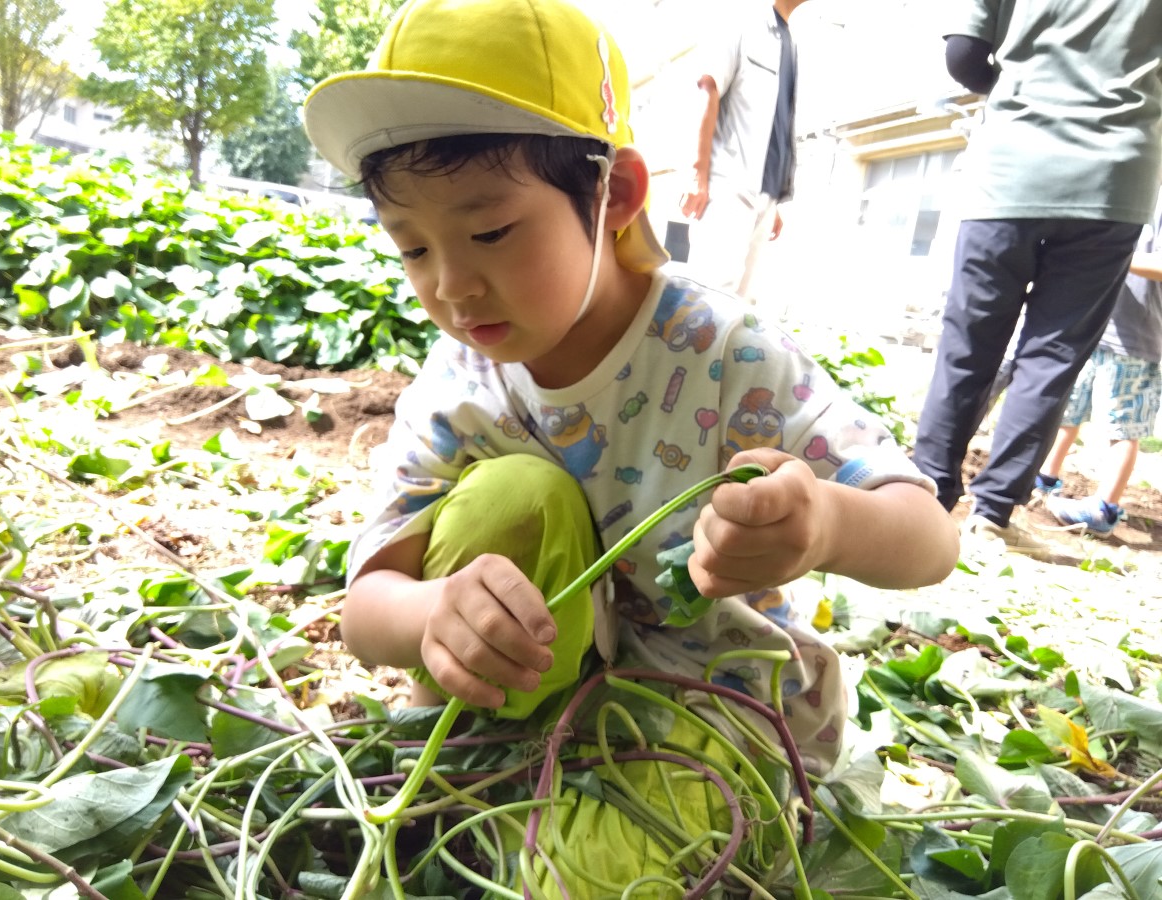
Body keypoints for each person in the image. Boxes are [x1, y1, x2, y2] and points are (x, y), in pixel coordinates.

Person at [303, 0, 958, 890]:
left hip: (709, 711)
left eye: (489, 230)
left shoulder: (724, 355)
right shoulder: (461, 383)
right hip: (526, 699)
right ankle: (479, 776)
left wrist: (824, 525)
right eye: (413, 246)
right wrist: (433, 617)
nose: (452, 285)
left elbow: (929, 538)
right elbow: (366, 607)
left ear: (617, 194)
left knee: (583, 880)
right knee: (509, 496)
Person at [912, 0, 1162, 559]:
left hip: (1011, 162)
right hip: (1113, 177)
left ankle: (925, 494)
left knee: (968, 340)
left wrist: (1030, 87)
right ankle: (994, 513)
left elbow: (964, 54)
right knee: (1054, 353)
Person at [1035, 213, 1162, 536]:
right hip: (1095, 324)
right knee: (1068, 409)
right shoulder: (1138, 193)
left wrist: (1113, 256)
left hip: (1134, 339)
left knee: (1122, 425)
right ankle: (1043, 480)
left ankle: (1104, 508)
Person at [674, 0, 810, 297]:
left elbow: (778, 122)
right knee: (708, 302)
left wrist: (773, 194)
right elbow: (708, 89)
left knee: (738, 310)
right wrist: (698, 175)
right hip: (728, 186)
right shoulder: (742, 19)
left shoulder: (790, 40)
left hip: (765, 196)